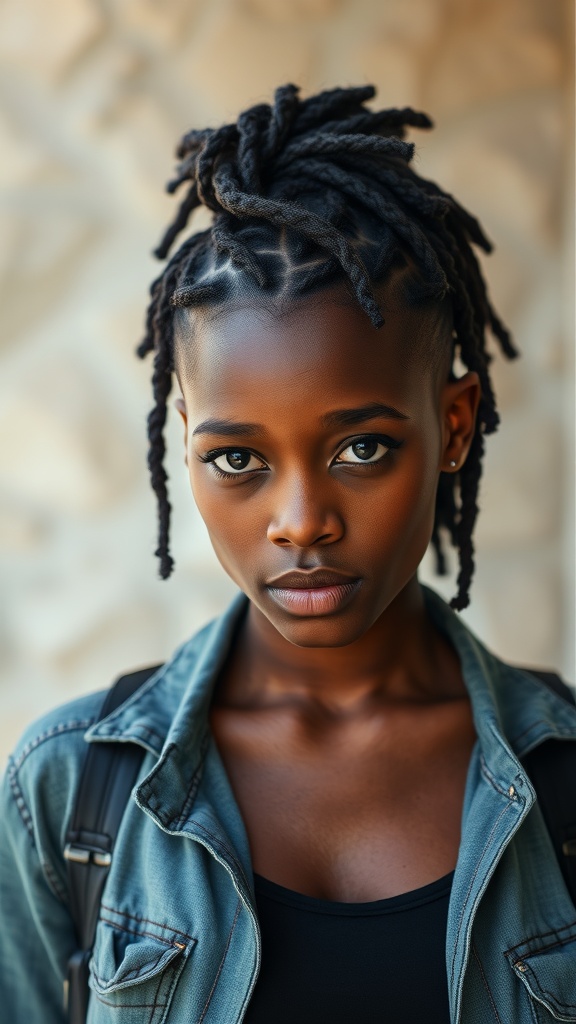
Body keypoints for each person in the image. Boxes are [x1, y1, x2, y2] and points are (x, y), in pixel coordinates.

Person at [0, 84, 574, 1024]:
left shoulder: (564, 781)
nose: (301, 522)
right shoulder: (71, 796)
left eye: (362, 448)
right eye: (238, 459)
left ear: (457, 424)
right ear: (183, 440)